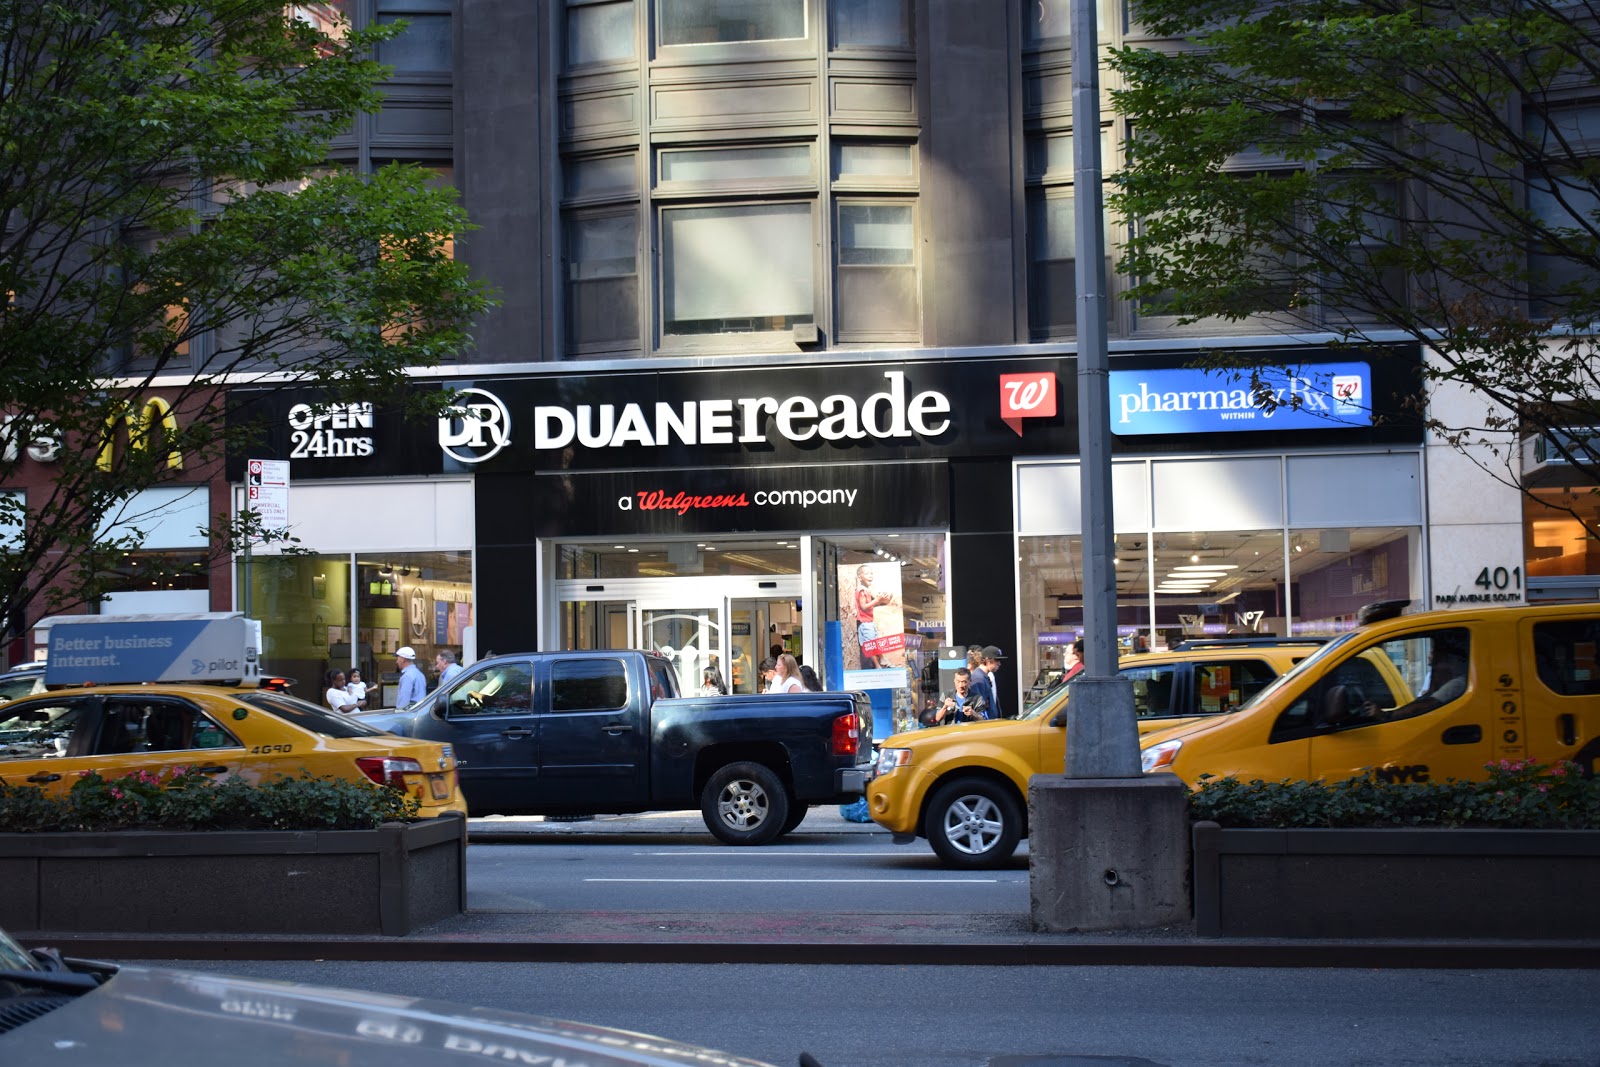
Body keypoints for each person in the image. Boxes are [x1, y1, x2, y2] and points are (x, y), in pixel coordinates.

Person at [854, 564, 894, 668]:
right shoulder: (862, 591)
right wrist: (877, 600)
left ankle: (882, 660)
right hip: (865, 623)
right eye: (866, 573)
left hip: (870, 622)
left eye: (871, 573)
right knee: (870, 645)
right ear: (859, 577)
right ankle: (878, 664)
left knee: (874, 643)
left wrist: (882, 599)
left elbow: (874, 605)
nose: (870, 575)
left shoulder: (867, 591)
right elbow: (864, 607)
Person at [919, 667, 986, 726]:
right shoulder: (946, 695)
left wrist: (973, 713)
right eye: (958, 681)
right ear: (954, 680)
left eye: (964, 682)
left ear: (970, 681)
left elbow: (983, 721)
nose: (960, 685)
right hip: (951, 733)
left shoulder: (977, 698)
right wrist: (945, 707)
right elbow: (937, 718)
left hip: (968, 734)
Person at [980, 646, 1008, 718]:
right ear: (988, 660)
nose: (999, 664)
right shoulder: (979, 679)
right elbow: (979, 709)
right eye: (997, 660)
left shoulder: (984, 676)